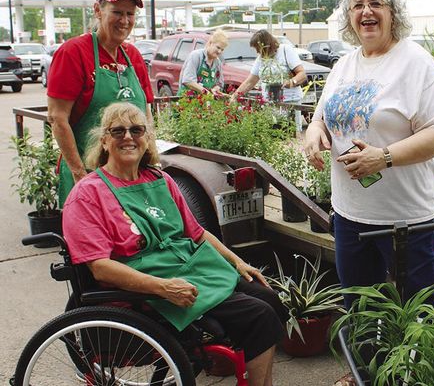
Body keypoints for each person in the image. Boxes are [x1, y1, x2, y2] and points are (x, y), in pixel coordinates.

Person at [62, 102, 286, 386]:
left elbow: (197, 234)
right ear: (104, 140)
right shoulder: (88, 194)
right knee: (259, 315)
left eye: (137, 130)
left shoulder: (160, 179)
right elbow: (101, 268)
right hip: (150, 283)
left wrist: (239, 262)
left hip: (188, 266)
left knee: (269, 298)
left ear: (147, 138)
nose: (128, 137)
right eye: (118, 131)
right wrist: (163, 288)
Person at [304, 0, 434, 325]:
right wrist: (314, 132)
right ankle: (368, 374)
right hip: (349, 214)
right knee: (361, 310)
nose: (366, 12)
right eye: (358, 6)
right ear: (349, 17)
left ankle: (427, 376)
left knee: (427, 314)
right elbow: (321, 116)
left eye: (376, 4)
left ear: (393, 13)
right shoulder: (345, 65)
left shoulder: (416, 64)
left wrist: (383, 157)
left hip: (406, 219)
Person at [47, 0, 154, 207]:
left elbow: (146, 113)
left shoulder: (133, 56)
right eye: (117, 12)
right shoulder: (73, 52)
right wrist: (79, 174)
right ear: (98, 10)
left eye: (130, 14)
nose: (124, 21)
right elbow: (57, 118)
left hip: (130, 175)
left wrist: (152, 159)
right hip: (88, 172)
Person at [230, 30, 307, 131]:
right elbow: (250, 81)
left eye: (258, 48)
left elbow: (302, 74)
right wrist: (235, 95)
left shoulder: (285, 50)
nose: (257, 52)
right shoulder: (260, 59)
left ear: (267, 45)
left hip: (289, 102)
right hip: (270, 104)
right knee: (273, 134)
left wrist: (291, 82)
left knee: (290, 134)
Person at [177, 29, 228, 96]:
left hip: (205, 101)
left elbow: (220, 84)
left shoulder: (217, 63)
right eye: (218, 47)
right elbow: (188, 81)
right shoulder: (196, 56)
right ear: (210, 43)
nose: (219, 51)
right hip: (187, 99)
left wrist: (215, 89)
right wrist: (205, 92)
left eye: (222, 49)